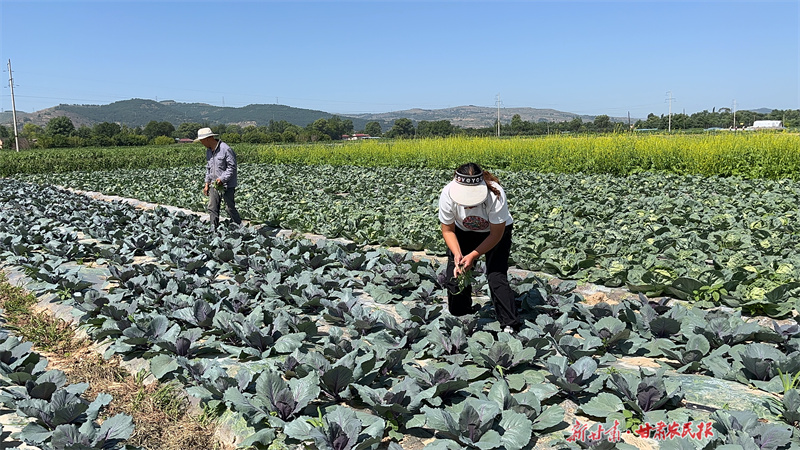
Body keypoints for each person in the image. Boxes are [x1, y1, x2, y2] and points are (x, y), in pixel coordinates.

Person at [438, 162, 520, 333]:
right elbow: (447, 230)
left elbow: (496, 235)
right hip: (462, 231)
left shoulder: (495, 194)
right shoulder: (447, 193)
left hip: (495, 232)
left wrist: (473, 255)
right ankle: (461, 314)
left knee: (496, 275)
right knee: (456, 273)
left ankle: (509, 323)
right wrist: (458, 254)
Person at [196, 127, 242, 231]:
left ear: (208, 139)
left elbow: (232, 167)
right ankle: (213, 230)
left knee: (229, 208)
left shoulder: (226, 149)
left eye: (202, 141)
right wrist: (207, 183)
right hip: (214, 184)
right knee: (212, 208)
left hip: (227, 185)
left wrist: (222, 179)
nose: (201, 143)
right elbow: (209, 168)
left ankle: (240, 228)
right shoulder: (208, 151)